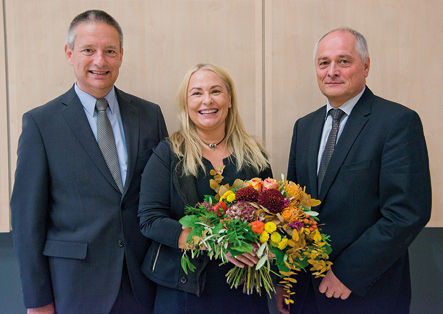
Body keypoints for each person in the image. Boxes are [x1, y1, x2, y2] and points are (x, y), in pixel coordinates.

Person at [10, 10, 167, 314]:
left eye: (109, 51)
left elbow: (161, 197)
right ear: (69, 53)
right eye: (88, 50)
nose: (100, 60)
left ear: (121, 55)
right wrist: (37, 301)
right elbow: (26, 221)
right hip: (74, 287)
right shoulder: (41, 124)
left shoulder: (149, 116)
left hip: (144, 283)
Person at [285, 27, 431, 313]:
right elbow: (294, 209)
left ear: (366, 66)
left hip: (369, 291)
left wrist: (348, 273)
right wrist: (287, 281)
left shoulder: (397, 122)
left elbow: (407, 212)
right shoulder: (304, 127)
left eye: (343, 61)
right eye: (323, 62)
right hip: (306, 294)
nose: (332, 71)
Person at [138, 63, 272, 314]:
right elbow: (150, 221)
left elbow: (271, 216)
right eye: (196, 93)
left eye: (216, 91)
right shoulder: (168, 153)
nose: (207, 100)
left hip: (245, 291)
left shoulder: (255, 155)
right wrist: (218, 243)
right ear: (185, 103)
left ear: (229, 100)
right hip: (183, 292)